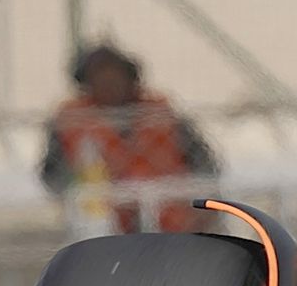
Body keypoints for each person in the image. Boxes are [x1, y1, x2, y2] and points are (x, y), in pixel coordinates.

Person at [39, 43, 219, 235]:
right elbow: (53, 176)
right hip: (103, 223)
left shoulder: (160, 112)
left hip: (172, 219)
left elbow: (204, 165)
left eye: (116, 76)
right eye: (99, 78)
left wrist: (199, 205)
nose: (110, 85)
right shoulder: (73, 120)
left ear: (131, 77)